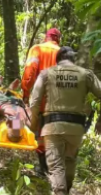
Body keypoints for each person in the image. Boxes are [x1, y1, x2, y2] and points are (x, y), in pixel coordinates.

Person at [29, 46, 101, 195]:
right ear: (72, 60)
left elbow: (35, 101)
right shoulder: (85, 74)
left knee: (56, 165)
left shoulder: (46, 73)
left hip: (53, 126)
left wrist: (33, 124)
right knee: (69, 161)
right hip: (76, 127)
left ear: (57, 59)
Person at [21, 28, 62, 177]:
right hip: (57, 99)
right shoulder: (62, 52)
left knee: (37, 130)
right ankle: (49, 167)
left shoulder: (37, 49)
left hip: (39, 97)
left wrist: (25, 92)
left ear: (46, 37)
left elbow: (29, 73)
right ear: (58, 39)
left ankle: (41, 166)